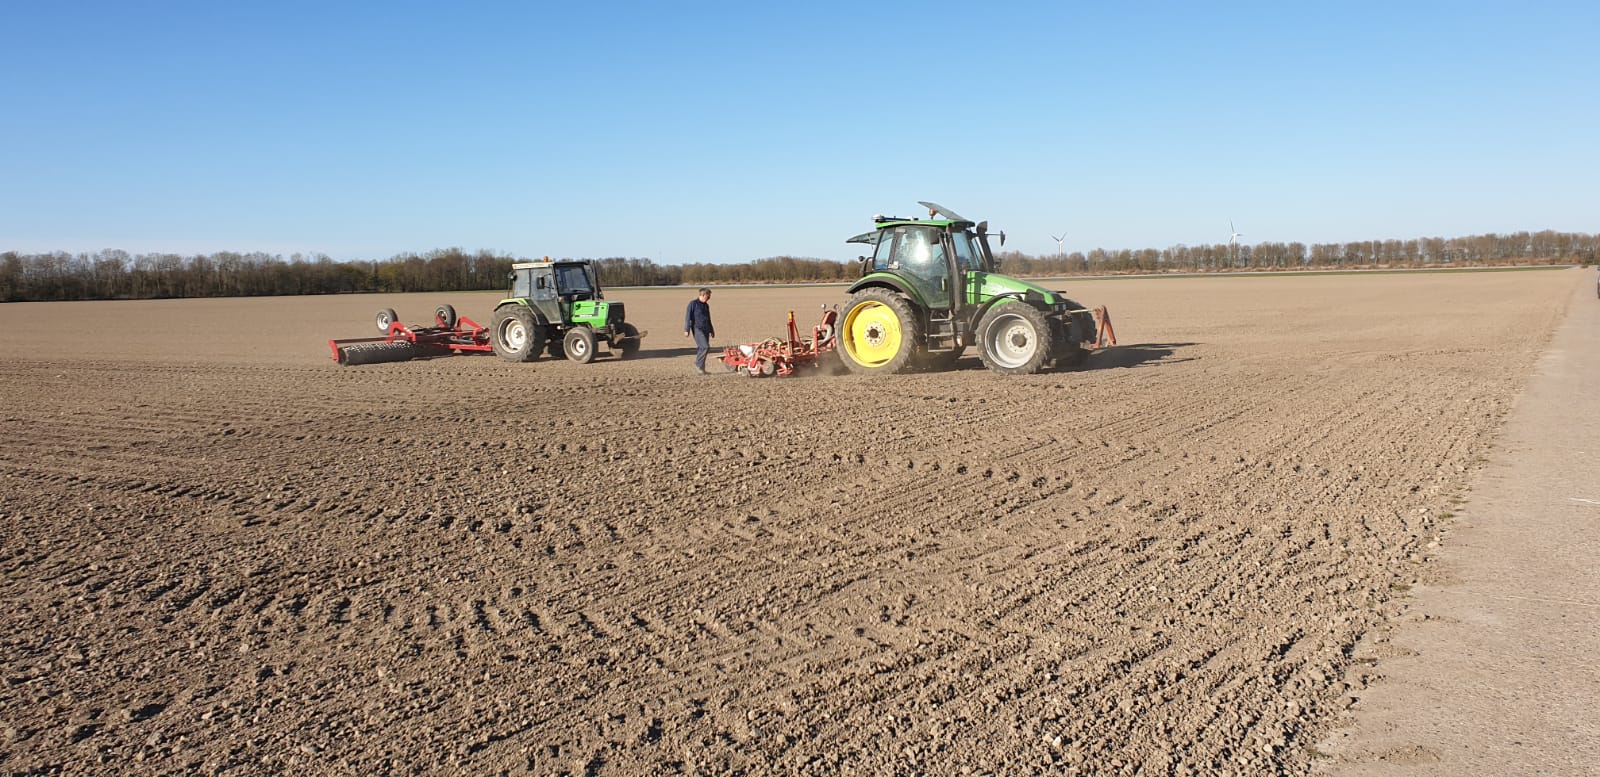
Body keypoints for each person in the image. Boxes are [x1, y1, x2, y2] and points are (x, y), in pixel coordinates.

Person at [683, 287, 715, 373]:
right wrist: (687, 329)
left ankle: (702, 369)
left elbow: (708, 318)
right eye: (708, 296)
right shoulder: (693, 304)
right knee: (705, 346)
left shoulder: (706, 305)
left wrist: (711, 330)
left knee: (705, 348)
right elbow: (688, 317)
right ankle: (698, 365)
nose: (709, 298)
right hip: (697, 329)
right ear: (703, 295)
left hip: (706, 329)